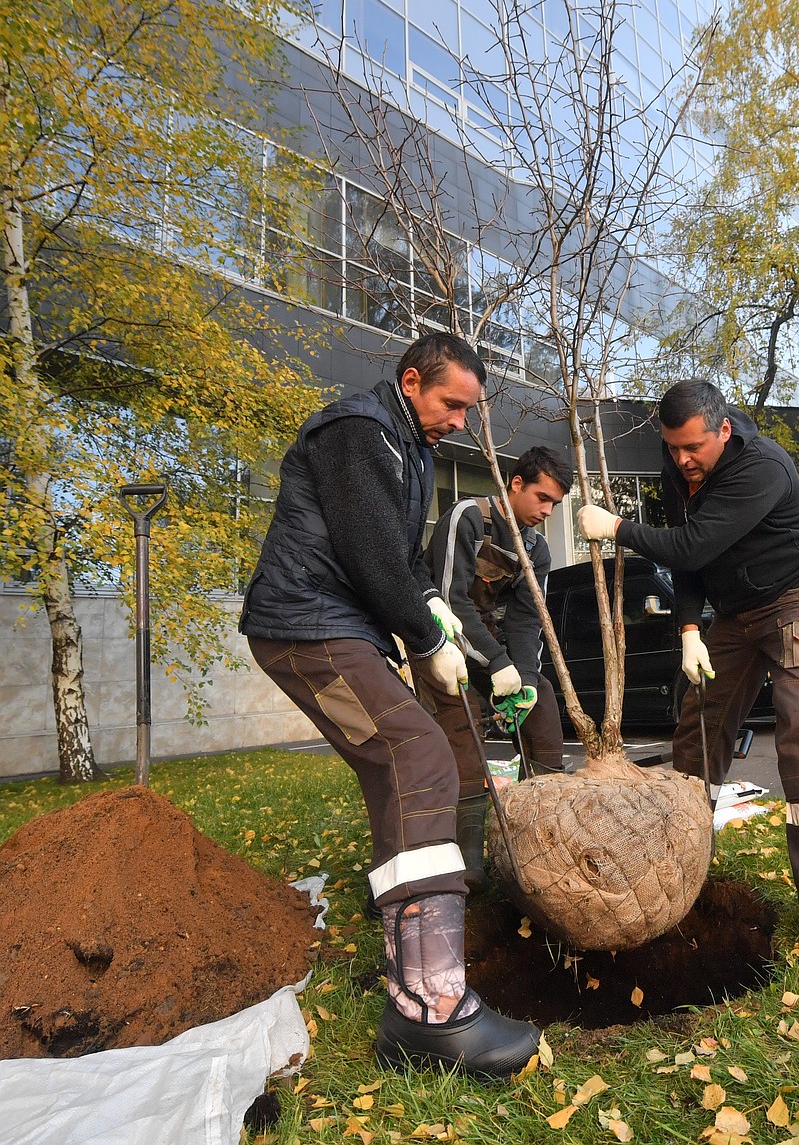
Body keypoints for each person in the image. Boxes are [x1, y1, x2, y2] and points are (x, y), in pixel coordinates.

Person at [239, 332, 540, 1080]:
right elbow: (369, 553)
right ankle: (431, 1006)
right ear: (411, 382)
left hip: (334, 628)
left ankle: (412, 982)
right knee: (419, 756)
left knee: (396, 771)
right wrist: (419, 632)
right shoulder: (359, 432)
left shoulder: (412, 449)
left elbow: (403, 561)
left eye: (470, 410)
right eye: (452, 404)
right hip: (306, 628)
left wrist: (434, 609)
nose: (461, 422)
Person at [576, 379, 799, 979]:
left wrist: (620, 530)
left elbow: (693, 542)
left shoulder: (762, 466)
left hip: (796, 598)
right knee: (698, 730)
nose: (682, 460)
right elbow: (693, 564)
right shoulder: (677, 469)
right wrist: (687, 630)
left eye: (693, 448)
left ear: (724, 430)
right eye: (672, 447)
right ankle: (681, 872)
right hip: (734, 612)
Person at [423, 446, 573, 887]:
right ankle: (467, 867)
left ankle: (536, 843)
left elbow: (529, 620)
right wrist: (498, 662)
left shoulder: (536, 549)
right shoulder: (468, 518)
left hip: (490, 645)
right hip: (440, 640)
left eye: (555, 505)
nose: (546, 511)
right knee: (463, 727)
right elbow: (451, 599)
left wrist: (523, 677)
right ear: (516, 484)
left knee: (542, 705)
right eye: (542, 498)